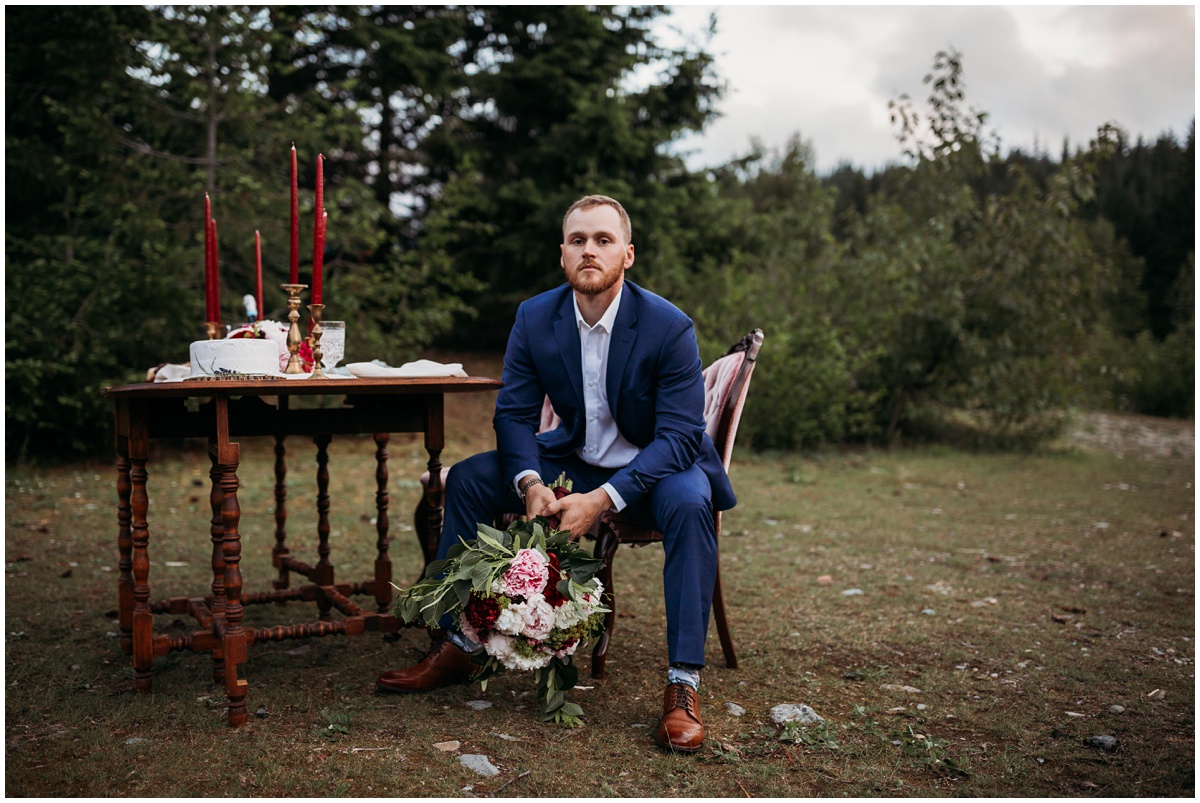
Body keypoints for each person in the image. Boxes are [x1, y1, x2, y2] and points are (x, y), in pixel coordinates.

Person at [376, 194, 736, 753]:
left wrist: (605, 500)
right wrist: (530, 483)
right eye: (577, 240)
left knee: (692, 505)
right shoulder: (535, 316)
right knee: (469, 479)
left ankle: (682, 683)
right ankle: (458, 642)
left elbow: (680, 436)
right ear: (562, 255)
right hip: (571, 459)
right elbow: (515, 413)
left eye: (603, 240)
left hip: (658, 469)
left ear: (628, 254)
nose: (589, 250)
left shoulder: (668, 326)